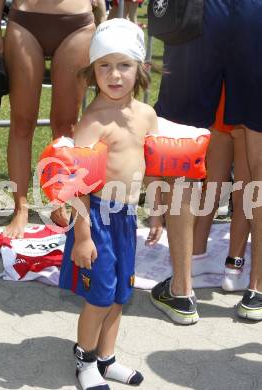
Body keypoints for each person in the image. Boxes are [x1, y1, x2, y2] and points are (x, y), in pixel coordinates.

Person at [59, 19, 163, 390]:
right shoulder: (92, 122)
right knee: (99, 297)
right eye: (105, 65)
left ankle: (107, 358)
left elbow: (150, 169)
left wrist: (156, 212)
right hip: (95, 218)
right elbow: (76, 184)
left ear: (141, 68)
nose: (114, 75)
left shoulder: (147, 116)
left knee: (120, 294)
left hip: (126, 217)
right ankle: (84, 360)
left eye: (124, 65)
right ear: (92, 72)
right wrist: (83, 236)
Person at [151, 0, 262, 322]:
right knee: (256, 161)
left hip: (200, 15)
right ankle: (256, 288)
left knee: (181, 151)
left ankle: (182, 291)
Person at [0, 0, 96, 238]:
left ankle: (60, 201)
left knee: (66, 124)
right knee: (21, 122)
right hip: (25, 20)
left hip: (77, 22)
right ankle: (21, 208)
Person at [192, 84, 251, 292]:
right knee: (245, 193)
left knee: (213, 185)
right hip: (249, 101)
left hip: (222, 95)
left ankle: (196, 255)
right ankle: (233, 269)